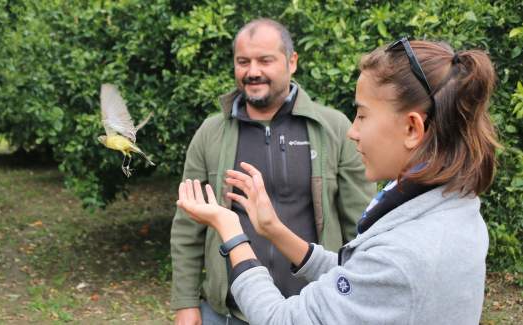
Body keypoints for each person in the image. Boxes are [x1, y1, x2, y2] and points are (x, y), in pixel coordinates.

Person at [176, 38, 499, 324]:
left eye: (362, 115)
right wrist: (273, 229)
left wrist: (232, 231)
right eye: (243, 61)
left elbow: (283, 319)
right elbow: (361, 271)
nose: (352, 131)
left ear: (413, 129)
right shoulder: (451, 208)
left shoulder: (405, 252)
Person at [170, 18, 375, 324]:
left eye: (265, 60)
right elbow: (187, 229)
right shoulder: (210, 133)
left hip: (313, 309)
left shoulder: (333, 129)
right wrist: (186, 303)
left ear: (292, 61)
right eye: (243, 62)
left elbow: (360, 225)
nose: (252, 72)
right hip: (228, 313)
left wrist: (359, 298)